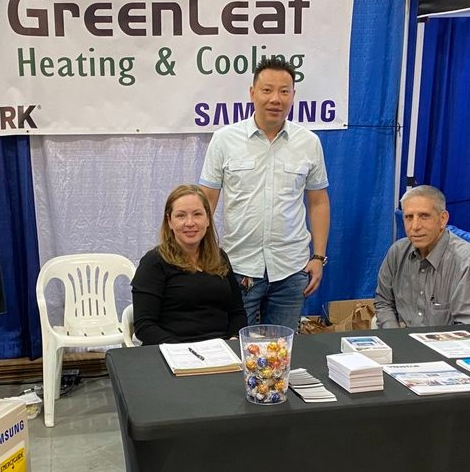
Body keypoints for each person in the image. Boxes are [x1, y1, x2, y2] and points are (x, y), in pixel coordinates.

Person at [199, 57, 330, 331]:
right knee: (237, 350)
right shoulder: (225, 140)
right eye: (267, 90)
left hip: (291, 269)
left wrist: (318, 257)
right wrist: (204, 254)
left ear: (293, 95)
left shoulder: (309, 143)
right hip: (238, 266)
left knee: (282, 352)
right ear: (252, 93)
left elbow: (318, 202)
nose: (276, 99)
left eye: (284, 91)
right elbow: (206, 201)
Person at [131, 185, 247, 345]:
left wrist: (234, 341)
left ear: (208, 219)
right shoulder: (153, 262)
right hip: (173, 353)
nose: (190, 223)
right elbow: (144, 326)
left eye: (197, 214)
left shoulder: (220, 257)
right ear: (169, 221)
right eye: (181, 216)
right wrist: (184, 351)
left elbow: (237, 312)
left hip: (221, 351)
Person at [374, 185, 470, 328]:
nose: (415, 226)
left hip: (447, 347)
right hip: (401, 344)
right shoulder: (397, 252)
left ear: (443, 219)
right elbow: (384, 302)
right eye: (409, 217)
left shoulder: (467, 261)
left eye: (424, 216)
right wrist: (395, 336)